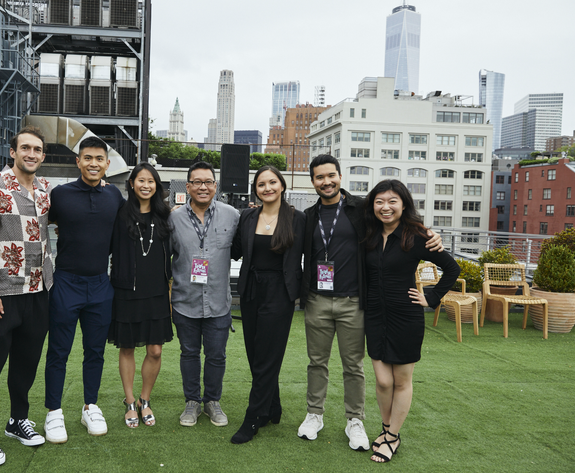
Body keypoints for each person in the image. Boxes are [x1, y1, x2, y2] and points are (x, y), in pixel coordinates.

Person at [298, 154, 443, 451]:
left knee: (354, 365)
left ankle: (355, 420)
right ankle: (314, 414)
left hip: (354, 300)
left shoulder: (362, 208)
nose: (326, 182)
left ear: (340, 176)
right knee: (317, 363)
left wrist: (428, 232)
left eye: (331, 175)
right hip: (317, 299)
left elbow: (394, 214)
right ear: (312, 181)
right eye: (319, 177)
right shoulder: (308, 216)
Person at [0, 126, 53, 467]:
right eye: (25, 148)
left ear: (43, 156)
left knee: (26, 364)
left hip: (38, 291)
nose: (31, 154)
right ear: (14, 152)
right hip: (0, 293)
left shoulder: (45, 190)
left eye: (37, 150)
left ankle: (17, 420)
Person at [363, 179, 460, 463]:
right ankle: (385, 428)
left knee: (401, 381)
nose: (385, 207)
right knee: (382, 381)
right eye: (380, 201)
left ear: (404, 204)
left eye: (392, 201)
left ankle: (392, 437)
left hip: (406, 316)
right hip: (375, 315)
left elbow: (451, 268)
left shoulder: (416, 237)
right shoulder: (368, 234)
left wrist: (431, 297)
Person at [43, 137, 124, 442]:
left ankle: (90, 405)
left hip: (100, 285)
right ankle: (53, 411)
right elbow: (37, 224)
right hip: (66, 283)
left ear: (107, 163)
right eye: (87, 158)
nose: (93, 163)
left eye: (99, 159)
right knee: (59, 351)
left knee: (95, 351)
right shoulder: (60, 195)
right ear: (78, 162)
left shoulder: (114, 195)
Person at [230, 166, 306, 444]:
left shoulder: (298, 219)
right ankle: (272, 406)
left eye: (272, 182)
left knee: (267, 355)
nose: (267, 188)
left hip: (280, 292)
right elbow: (235, 249)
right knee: (254, 354)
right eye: (261, 184)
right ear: (256, 190)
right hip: (251, 289)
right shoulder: (248, 216)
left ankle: (253, 417)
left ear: (282, 186)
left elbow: (313, 253)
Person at [170, 161, 240, 427]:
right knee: (188, 353)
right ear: (188, 187)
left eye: (208, 182)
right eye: (197, 182)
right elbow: (165, 258)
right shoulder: (173, 218)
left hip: (219, 302)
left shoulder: (232, 215)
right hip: (184, 300)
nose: (203, 187)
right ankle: (192, 402)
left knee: (216, 355)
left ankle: (212, 401)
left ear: (215, 186)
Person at [107, 162, 174, 428]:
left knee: (155, 350)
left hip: (157, 292)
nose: (146, 185)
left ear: (157, 186)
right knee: (127, 347)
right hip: (125, 291)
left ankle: (145, 400)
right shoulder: (119, 213)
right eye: (141, 180)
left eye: (151, 181)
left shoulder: (165, 216)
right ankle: (129, 401)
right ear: (132, 183)